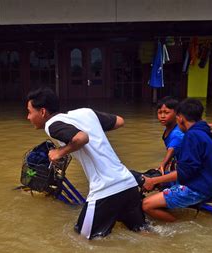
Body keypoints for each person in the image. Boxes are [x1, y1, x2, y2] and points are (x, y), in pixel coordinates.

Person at [26, 87, 147, 239]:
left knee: (82, 240)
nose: (28, 117)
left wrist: (59, 152)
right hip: (128, 183)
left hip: (106, 188)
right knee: (143, 234)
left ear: (42, 112)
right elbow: (120, 121)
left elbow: (81, 138)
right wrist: (95, 130)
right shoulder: (86, 113)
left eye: (30, 112)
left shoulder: (51, 124)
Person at [142, 98, 212, 222]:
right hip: (208, 183)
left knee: (146, 205)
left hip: (198, 187)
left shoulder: (192, 136)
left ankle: (179, 227)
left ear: (179, 118)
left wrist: (153, 181)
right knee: (161, 181)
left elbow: (185, 172)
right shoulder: (202, 132)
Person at [156, 96, 184, 174]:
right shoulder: (168, 129)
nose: (162, 116)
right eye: (159, 112)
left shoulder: (177, 133)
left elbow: (172, 149)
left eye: (166, 112)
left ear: (177, 114)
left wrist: (163, 165)